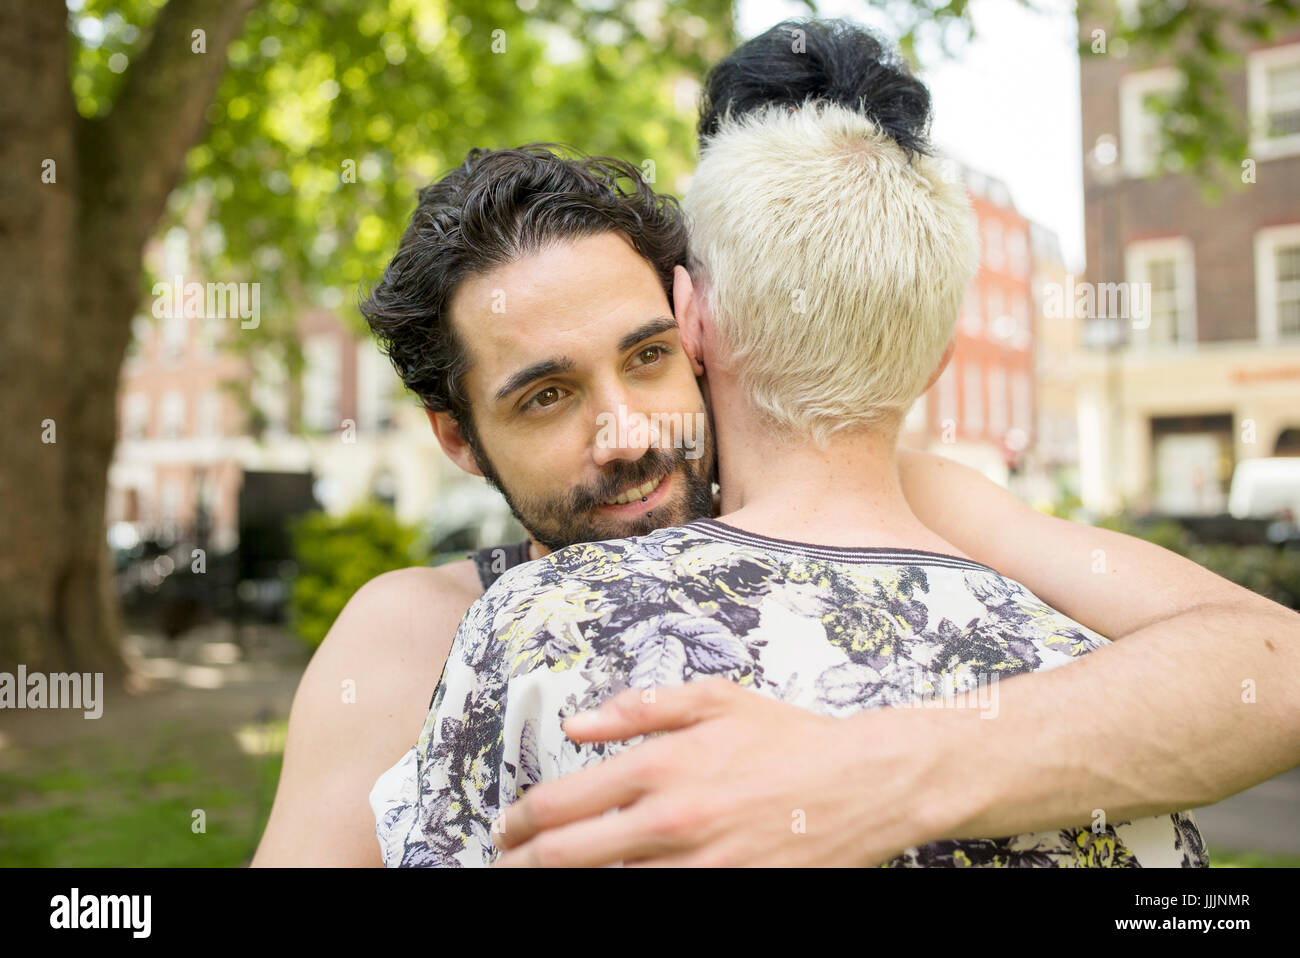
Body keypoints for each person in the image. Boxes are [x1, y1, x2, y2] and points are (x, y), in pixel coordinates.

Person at [252, 20, 1300, 869]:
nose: (628, 434)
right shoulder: (418, 633)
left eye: (650, 356)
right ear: (458, 437)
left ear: (701, 328)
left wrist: (856, 774)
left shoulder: (922, 501)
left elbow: (1270, 668)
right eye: (546, 396)